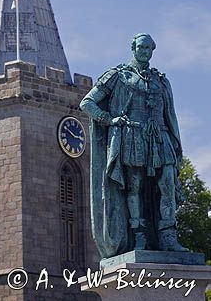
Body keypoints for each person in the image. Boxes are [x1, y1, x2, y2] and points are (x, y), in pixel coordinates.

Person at [80, 33, 188, 259]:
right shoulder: (118, 75)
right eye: (141, 47)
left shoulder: (160, 80)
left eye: (149, 48)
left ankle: (168, 236)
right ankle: (139, 234)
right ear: (133, 47)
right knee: (135, 186)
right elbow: (87, 102)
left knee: (167, 182)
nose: (145, 51)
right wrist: (109, 119)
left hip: (160, 137)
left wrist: (176, 145)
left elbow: (171, 115)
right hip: (132, 135)